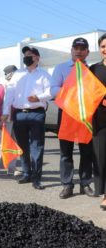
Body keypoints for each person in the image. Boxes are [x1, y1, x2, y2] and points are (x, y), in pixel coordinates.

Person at [1, 46, 53, 190]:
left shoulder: (44, 75)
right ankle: (26, 173)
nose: (26, 56)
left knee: (37, 146)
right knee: (23, 145)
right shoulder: (17, 74)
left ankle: (36, 178)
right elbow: (9, 93)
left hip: (37, 113)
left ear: (36, 58)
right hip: (19, 114)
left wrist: (39, 98)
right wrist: (5, 112)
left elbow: (50, 92)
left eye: (29, 54)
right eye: (25, 54)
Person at [50, 37, 95, 199]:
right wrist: (71, 91)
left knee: (86, 153)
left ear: (87, 52)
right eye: (75, 48)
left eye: (82, 49)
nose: (78, 51)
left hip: (85, 117)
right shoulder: (62, 68)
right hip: (67, 115)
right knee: (66, 153)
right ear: (71, 50)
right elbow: (53, 89)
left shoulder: (92, 70)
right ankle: (67, 185)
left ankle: (85, 184)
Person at [0, 65, 22, 177]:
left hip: (16, 119)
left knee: (14, 143)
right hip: (5, 120)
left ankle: (12, 168)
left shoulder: (17, 85)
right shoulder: (2, 87)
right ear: (11, 74)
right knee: (3, 144)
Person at [89, 33, 106, 209]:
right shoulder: (94, 69)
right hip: (99, 120)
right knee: (100, 158)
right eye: (102, 46)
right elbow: (87, 93)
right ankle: (104, 193)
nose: (105, 50)